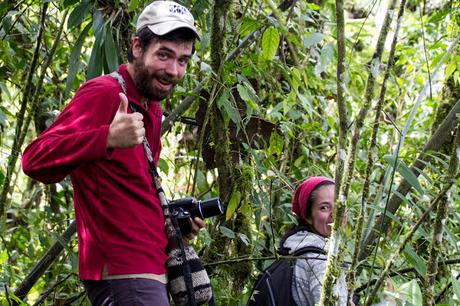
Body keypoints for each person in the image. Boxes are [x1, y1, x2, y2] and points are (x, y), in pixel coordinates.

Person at [22, 1, 204, 305]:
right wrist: (105, 137)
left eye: (183, 60)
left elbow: (129, 192)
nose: (173, 70)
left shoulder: (152, 107)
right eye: (164, 55)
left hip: (149, 270)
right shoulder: (104, 93)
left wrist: (174, 224)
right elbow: (35, 159)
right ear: (136, 47)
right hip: (123, 271)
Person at [279, 176, 349, 305]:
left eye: (338, 205)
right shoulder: (319, 260)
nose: (335, 214)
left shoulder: (297, 247)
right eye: (324, 207)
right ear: (308, 217)